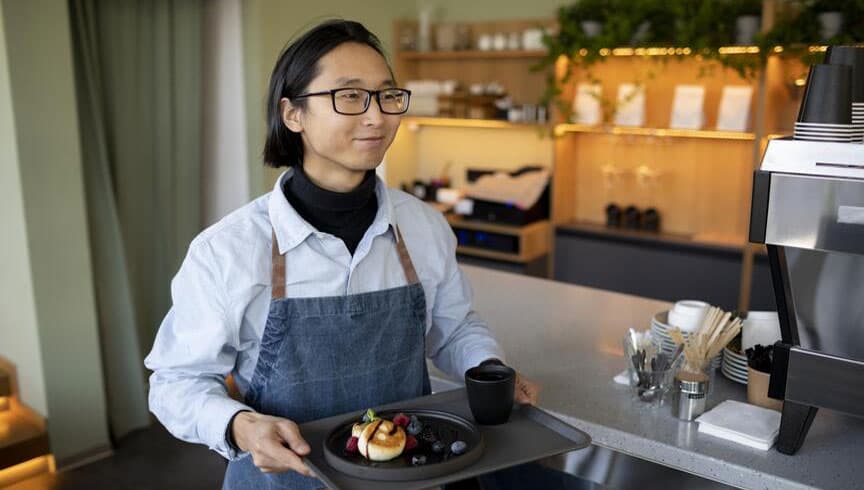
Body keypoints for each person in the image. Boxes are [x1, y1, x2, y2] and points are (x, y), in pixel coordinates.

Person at [144, 19, 539, 489]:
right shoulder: (227, 250)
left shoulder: (423, 227)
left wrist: (486, 367)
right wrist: (241, 425)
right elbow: (176, 382)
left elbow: (454, 328)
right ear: (293, 114)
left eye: (386, 95)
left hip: (412, 475)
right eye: (349, 96)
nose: (377, 117)